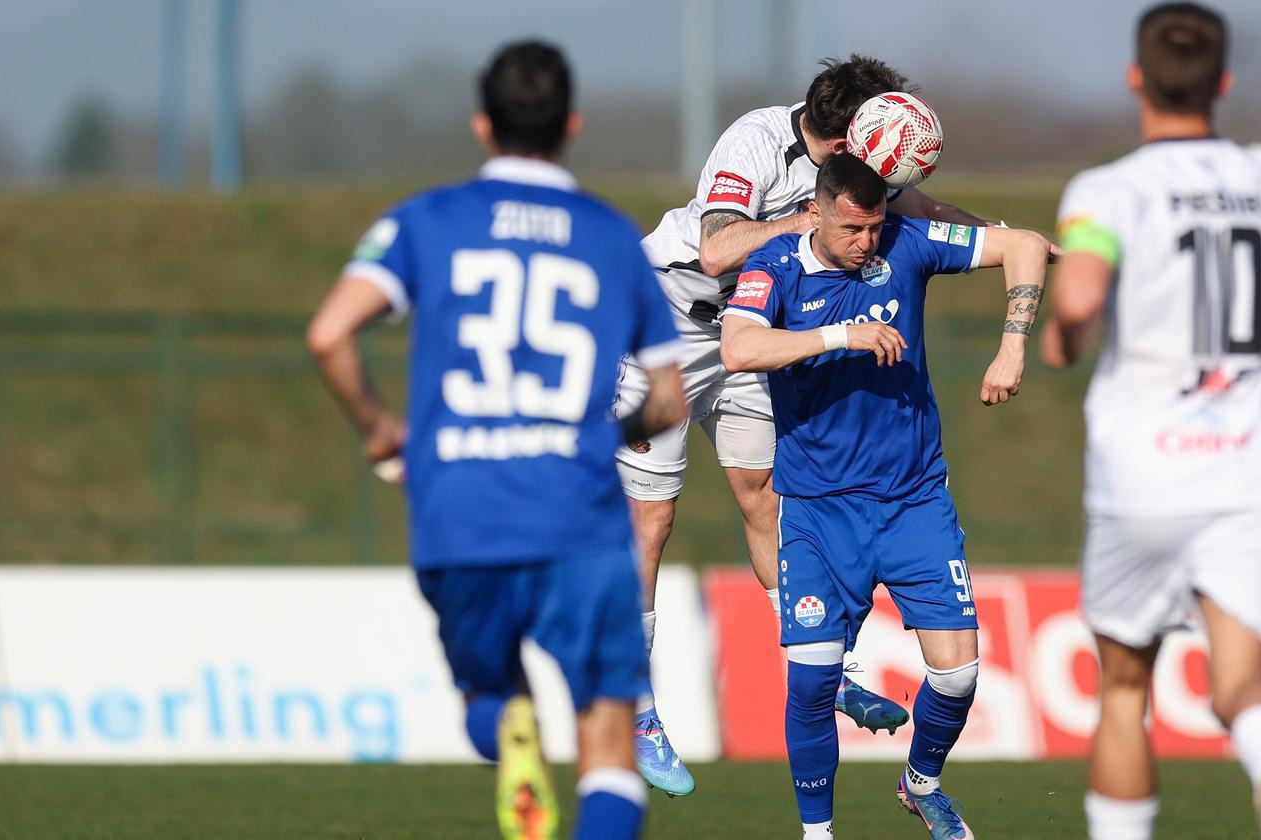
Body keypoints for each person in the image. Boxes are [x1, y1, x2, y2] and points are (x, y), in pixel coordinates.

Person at [306, 41, 686, 840]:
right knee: (610, 740)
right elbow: (667, 400)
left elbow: (330, 333)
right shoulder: (614, 239)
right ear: (572, 125)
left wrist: (380, 429)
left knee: (489, 699)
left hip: (459, 512)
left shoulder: (426, 221)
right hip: (573, 517)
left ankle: (510, 730)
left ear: (482, 125)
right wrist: (597, 429)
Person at [1040, 4, 1261, 839]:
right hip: (1255, 475)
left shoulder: (1108, 189)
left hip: (1144, 474)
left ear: (1135, 78)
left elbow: (1079, 297)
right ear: (1223, 83)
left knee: (1124, 692)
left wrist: (1058, 338)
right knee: (1240, 686)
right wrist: (1256, 362)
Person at [619, 54, 987, 795]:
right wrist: (811, 218)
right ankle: (636, 704)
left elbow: (918, 213)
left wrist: (1001, 240)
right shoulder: (755, 142)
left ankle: (834, 666)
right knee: (651, 521)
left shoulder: (861, 169)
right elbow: (719, 246)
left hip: (756, 328)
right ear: (849, 131)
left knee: (765, 492)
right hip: (670, 326)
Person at [721, 153, 1052, 840]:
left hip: (912, 501)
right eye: (852, 229)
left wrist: (1012, 348)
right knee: (812, 681)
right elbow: (740, 348)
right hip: (816, 509)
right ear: (815, 212)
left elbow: (1023, 244)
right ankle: (818, 835)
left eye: (875, 227)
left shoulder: (907, 241)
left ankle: (921, 782)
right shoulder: (775, 266)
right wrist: (842, 335)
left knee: (958, 676)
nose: (867, 241)